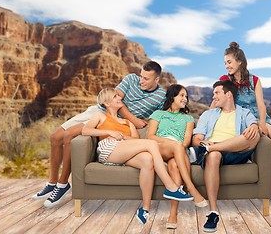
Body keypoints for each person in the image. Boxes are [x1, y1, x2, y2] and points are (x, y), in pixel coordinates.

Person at [32, 61, 167, 207]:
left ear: (157, 79)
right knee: (55, 137)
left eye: (146, 79)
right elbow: (113, 101)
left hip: (116, 122)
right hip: (101, 112)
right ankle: (52, 182)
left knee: (69, 135)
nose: (141, 81)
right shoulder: (130, 79)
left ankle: (63, 184)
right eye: (141, 76)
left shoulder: (161, 96)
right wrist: (134, 119)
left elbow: (159, 118)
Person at [81, 88, 193, 224]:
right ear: (106, 103)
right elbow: (85, 130)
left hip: (124, 151)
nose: (119, 98)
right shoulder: (100, 115)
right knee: (151, 144)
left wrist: (123, 136)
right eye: (115, 97)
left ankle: (145, 209)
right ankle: (170, 187)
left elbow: (135, 141)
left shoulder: (129, 123)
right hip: (108, 148)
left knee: (148, 159)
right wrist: (110, 132)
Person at [219, 42, 271, 207]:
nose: (226, 65)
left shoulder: (255, 80)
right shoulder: (224, 80)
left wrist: (262, 122)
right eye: (225, 62)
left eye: (229, 62)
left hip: (259, 117)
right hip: (243, 118)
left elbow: (261, 104)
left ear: (239, 61)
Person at [190, 80, 260, 233]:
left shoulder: (245, 113)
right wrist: (205, 144)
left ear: (228, 94)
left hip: (236, 150)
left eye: (216, 93)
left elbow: (253, 131)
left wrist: (254, 125)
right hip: (214, 152)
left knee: (254, 136)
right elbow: (196, 139)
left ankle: (209, 149)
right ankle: (213, 212)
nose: (213, 96)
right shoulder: (208, 114)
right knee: (214, 155)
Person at [147, 84, 207, 229]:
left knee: (174, 165)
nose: (185, 99)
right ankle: (191, 188)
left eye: (186, 96)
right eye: (181, 95)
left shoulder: (188, 119)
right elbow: (150, 136)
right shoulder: (158, 114)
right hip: (159, 148)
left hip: (178, 151)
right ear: (172, 96)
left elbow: (186, 141)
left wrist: (177, 146)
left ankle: (173, 214)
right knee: (177, 146)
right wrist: (173, 143)